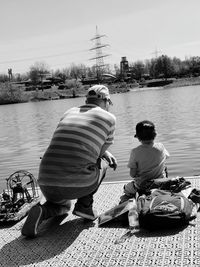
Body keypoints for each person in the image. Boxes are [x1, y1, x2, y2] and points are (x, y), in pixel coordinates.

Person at [22, 85, 117, 238]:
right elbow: (97, 155)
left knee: (63, 206)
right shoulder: (109, 118)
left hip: (46, 180)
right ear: (106, 101)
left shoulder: (69, 112)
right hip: (78, 184)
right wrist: (105, 154)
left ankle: (42, 211)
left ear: (86, 100)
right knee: (104, 162)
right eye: (110, 104)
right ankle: (85, 206)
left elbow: (74, 140)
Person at [120, 120, 169, 203]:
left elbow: (132, 174)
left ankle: (139, 194)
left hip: (142, 186)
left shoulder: (135, 152)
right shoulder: (161, 146)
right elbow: (167, 157)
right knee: (165, 167)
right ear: (155, 134)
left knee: (126, 188)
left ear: (138, 138)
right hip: (160, 183)